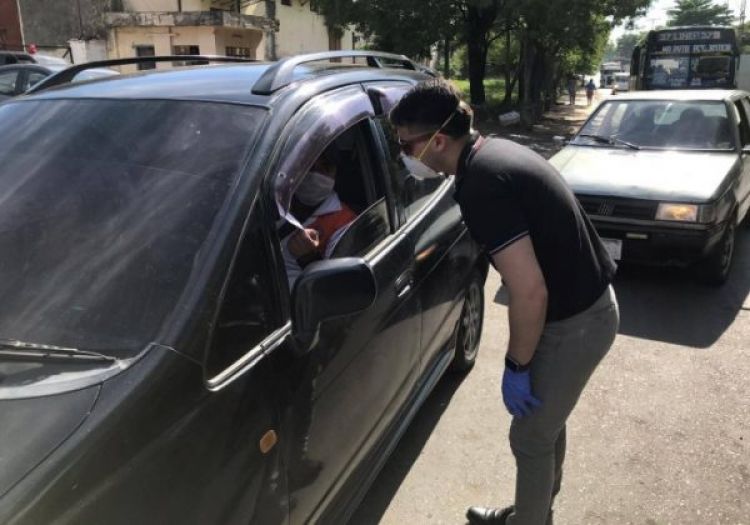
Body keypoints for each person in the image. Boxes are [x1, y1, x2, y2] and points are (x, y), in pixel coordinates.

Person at [390, 79, 619, 525]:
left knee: (530, 437)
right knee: (545, 426)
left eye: (405, 145)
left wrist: (517, 365)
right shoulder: (491, 154)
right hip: (582, 310)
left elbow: (529, 291)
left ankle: (530, 519)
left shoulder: (483, 184)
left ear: (438, 141)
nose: (403, 155)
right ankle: (535, 512)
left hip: (576, 324)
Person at [279, 150, 356, 288]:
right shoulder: (275, 198)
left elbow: (333, 286)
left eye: (325, 167)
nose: (315, 175)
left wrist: (307, 256)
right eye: (309, 166)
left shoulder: (344, 222)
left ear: (335, 172)